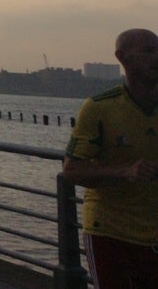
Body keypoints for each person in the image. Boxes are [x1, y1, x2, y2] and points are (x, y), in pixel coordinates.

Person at [63, 28, 158, 288]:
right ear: (122, 58)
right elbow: (71, 171)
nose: (157, 57)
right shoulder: (99, 108)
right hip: (110, 231)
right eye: (148, 51)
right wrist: (125, 172)